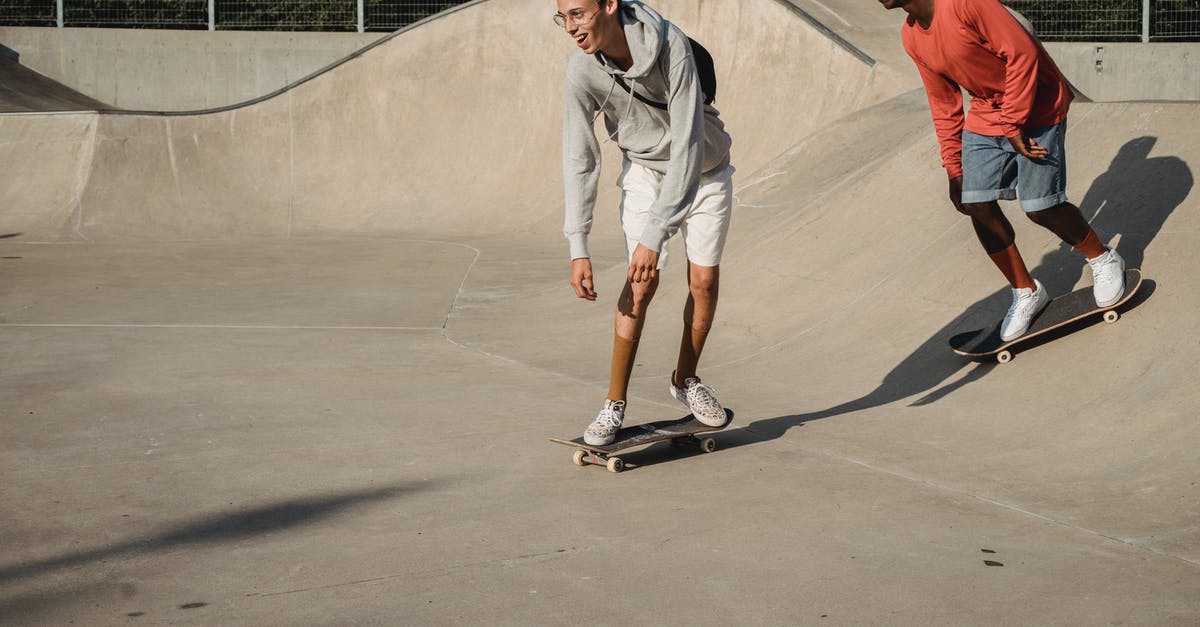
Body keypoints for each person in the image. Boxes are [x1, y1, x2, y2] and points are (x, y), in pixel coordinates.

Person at [879, 0, 1125, 341]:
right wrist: (953, 166)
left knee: (1041, 207)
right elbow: (943, 102)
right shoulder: (912, 37)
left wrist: (1013, 122)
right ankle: (1027, 291)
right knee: (975, 204)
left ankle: (1103, 258)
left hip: (1038, 104)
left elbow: (1023, 53)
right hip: (987, 115)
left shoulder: (966, 4)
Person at [556, 0, 734, 445]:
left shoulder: (672, 46)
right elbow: (580, 159)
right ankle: (613, 402)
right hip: (646, 172)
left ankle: (685, 379)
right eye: (563, 17)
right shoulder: (582, 74)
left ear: (610, 5)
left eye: (578, 13)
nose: (571, 28)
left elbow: (690, 141)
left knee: (705, 283)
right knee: (641, 281)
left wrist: (655, 235)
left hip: (706, 167)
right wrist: (578, 244)